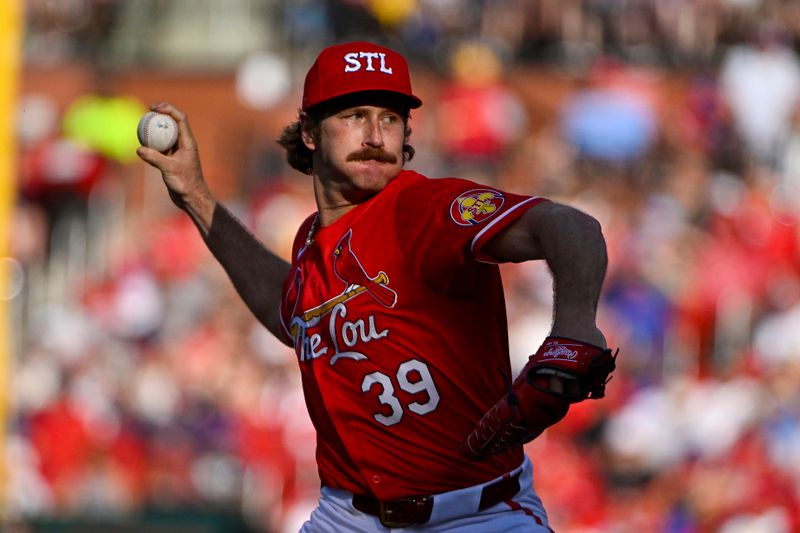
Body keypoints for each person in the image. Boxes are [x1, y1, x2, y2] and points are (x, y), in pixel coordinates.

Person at [137, 41, 616, 533]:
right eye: (355, 115)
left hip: (478, 516)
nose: (374, 135)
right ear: (308, 131)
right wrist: (196, 195)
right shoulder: (310, 241)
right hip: (348, 516)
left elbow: (569, 227)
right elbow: (291, 314)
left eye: (390, 118)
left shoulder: (421, 209)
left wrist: (574, 327)